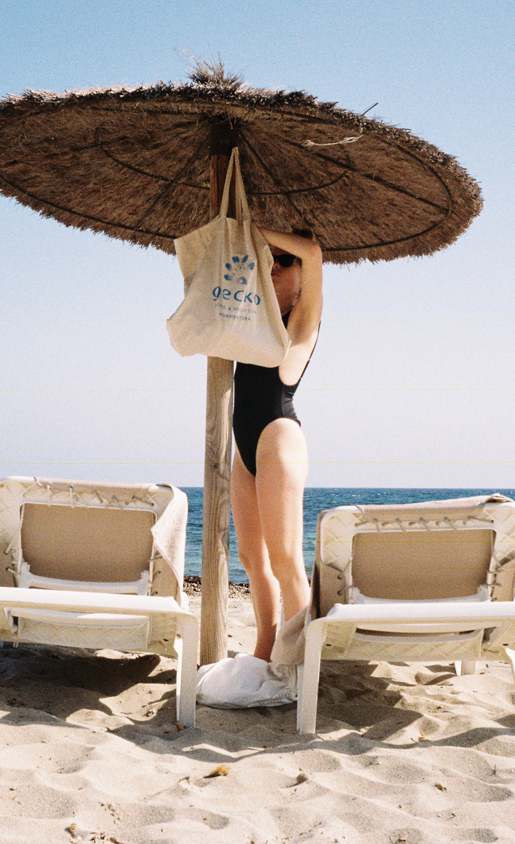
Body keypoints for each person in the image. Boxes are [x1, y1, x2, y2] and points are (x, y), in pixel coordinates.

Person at [230, 227, 323, 662]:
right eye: (271, 259)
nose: (274, 266)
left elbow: (315, 251)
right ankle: (266, 651)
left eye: (285, 261)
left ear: (304, 275)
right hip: (244, 447)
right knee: (251, 558)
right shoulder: (253, 316)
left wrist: (252, 226)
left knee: (286, 560)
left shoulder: (303, 321)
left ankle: (300, 661)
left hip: (277, 437)